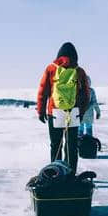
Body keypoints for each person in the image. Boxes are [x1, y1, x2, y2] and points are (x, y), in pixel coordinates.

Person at [37, 42, 90, 173]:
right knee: (71, 146)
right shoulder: (79, 71)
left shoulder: (51, 69)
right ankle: (71, 173)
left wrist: (41, 111)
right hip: (73, 112)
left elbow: (43, 91)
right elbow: (86, 95)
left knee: (55, 145)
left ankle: (55, 173)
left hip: (54, 112)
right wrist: (81, 112)